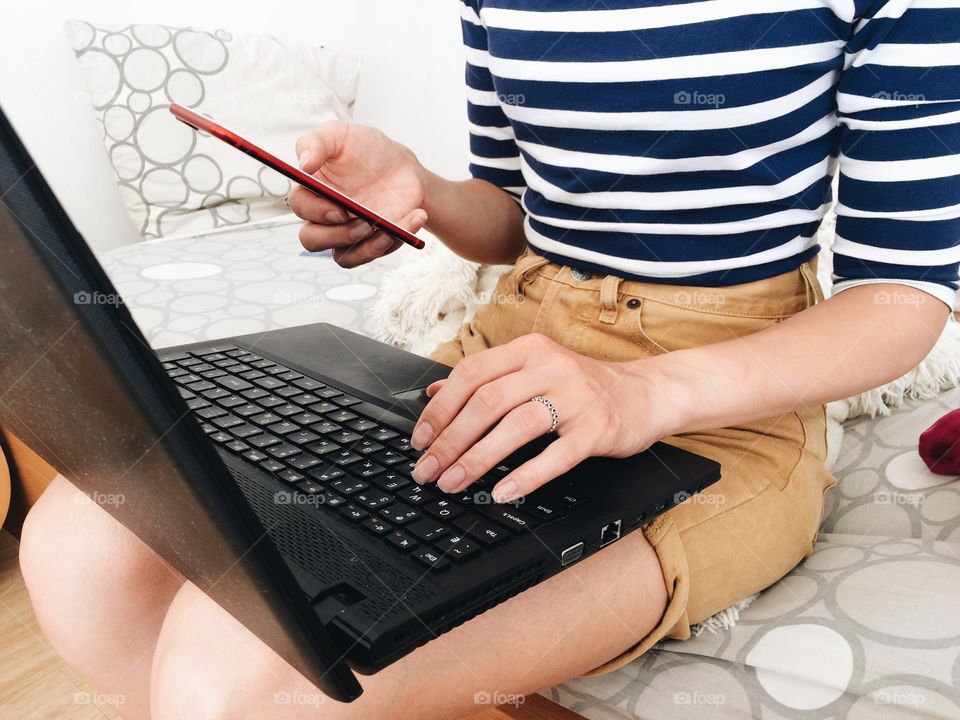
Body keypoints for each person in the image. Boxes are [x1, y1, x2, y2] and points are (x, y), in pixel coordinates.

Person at [19, 2, 958, 718]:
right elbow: (514, 217)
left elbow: (903, 299)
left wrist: (639, 391)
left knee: (231, 673)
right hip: (513, 348)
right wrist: (419, 191)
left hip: (723, 395)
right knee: (74, 548)